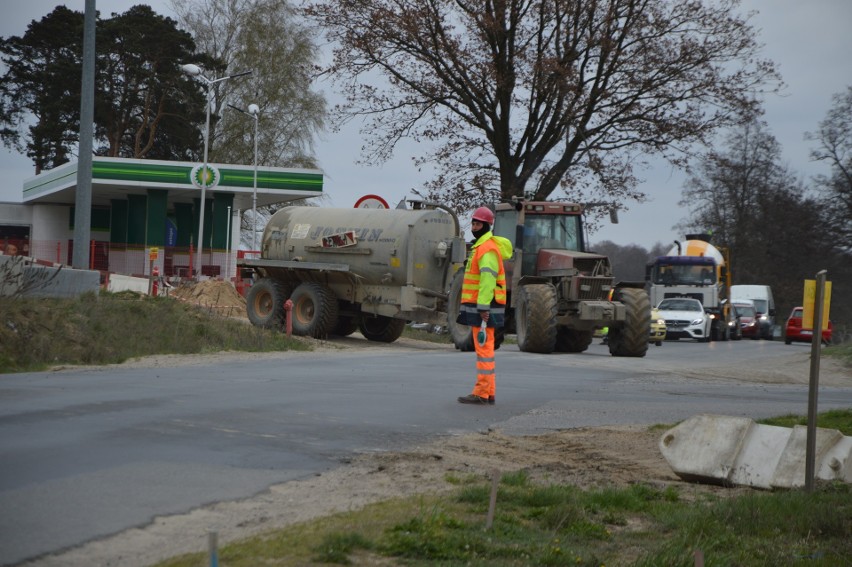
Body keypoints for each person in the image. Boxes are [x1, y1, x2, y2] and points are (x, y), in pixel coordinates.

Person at [457, 206, 513, 405]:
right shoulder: (482, 246)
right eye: (473, 223)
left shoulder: (486, 248)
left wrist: (483, 306)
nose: (474, 226)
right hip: (483, 304)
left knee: (483, 348)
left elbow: (487, 279)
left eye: (478, 223)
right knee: (486, 347)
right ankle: (488, 391)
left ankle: (481, 392)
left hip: (483, 306)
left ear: (487, 225)